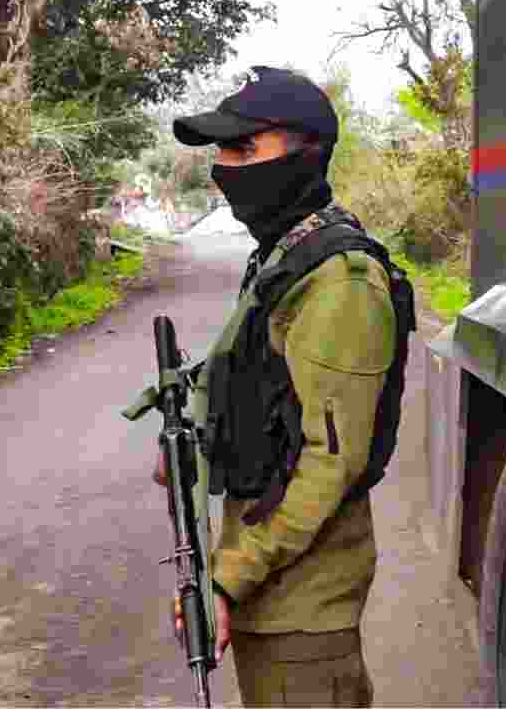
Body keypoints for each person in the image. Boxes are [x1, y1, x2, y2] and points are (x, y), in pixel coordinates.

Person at [158, 66, 397, 707]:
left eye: (244, 149)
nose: (225, 168)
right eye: (220, 152)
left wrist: (229, 579)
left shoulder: (340, 282)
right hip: (271, 594)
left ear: (306, 153)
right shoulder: (282, 259)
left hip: (301, 608)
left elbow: (330, 464)